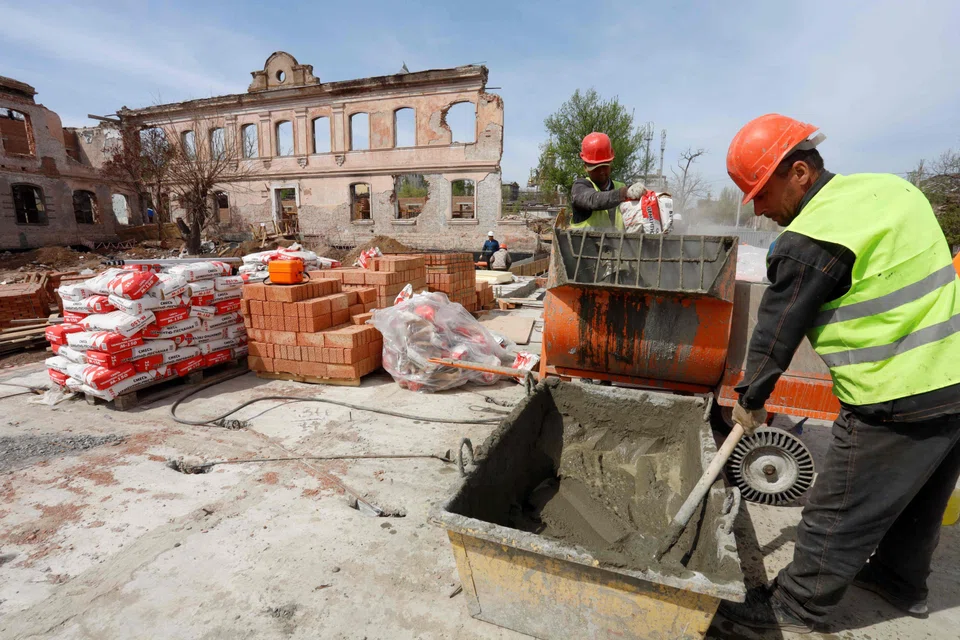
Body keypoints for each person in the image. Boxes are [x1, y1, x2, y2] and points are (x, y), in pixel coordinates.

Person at [717, 113, 960, 634]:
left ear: (799, 173)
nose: (759, 210)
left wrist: (751, 395)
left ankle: (797, 608)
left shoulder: (811, 238)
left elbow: (775, 331)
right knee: (917, 494)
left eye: (761, 193)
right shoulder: (892, 192)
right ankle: (899, 583)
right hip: (952, 376)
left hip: (895, 391)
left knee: (837, 507)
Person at [569, 132, 647, 229]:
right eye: (596, 168)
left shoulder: (621, 186)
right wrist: (622, 194)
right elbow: (593, 200)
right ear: (586, 167)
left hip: (619, 244)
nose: (601, 171)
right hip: (584, 244)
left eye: (605, 166)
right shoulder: (580, 187)